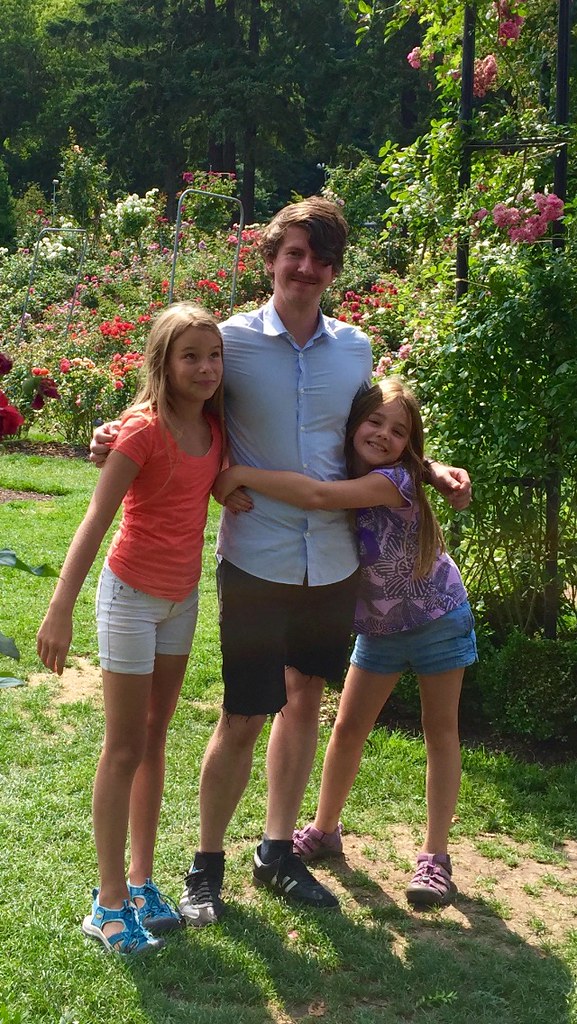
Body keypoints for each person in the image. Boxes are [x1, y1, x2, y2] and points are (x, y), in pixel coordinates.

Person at [90, 197, 471, 926]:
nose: (306, 268)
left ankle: (276, 851)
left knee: (302, 702)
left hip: (331, 561)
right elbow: (177, 396)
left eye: (322, 259)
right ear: (271, 258)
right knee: (241, 714)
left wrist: (431, 470)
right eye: (294, 253)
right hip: (257, 557)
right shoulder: (232, 342)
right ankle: (206, 865)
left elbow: (371, 436)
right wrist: (117, 430)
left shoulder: (354, 349)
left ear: (334, 270)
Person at [213, 376, 476, 907]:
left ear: (409, 444)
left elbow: (318, 497)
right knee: (348, 728)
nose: (383, 435)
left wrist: (239, 474)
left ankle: (435, 858)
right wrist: (433, 467)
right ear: (353, 424)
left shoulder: (395, 480)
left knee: (440, 731)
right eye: (374, 422)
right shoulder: (351, 465)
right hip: (379, 628)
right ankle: (326, 828)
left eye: (398, 431)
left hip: (438, 618)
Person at [37, 303, 225, 954]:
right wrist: (60, 607)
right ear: (162, 364)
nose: (205, 368)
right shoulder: (141, 430)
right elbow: (95, 517)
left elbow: (209, 483)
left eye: (213, 355)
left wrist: (233, 489)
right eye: (189, 356)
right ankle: (108, 903)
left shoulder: (214, 428)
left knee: (154, 736)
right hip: (129, 599)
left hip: (181, 601)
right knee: (123, 748)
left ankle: (142, 883)